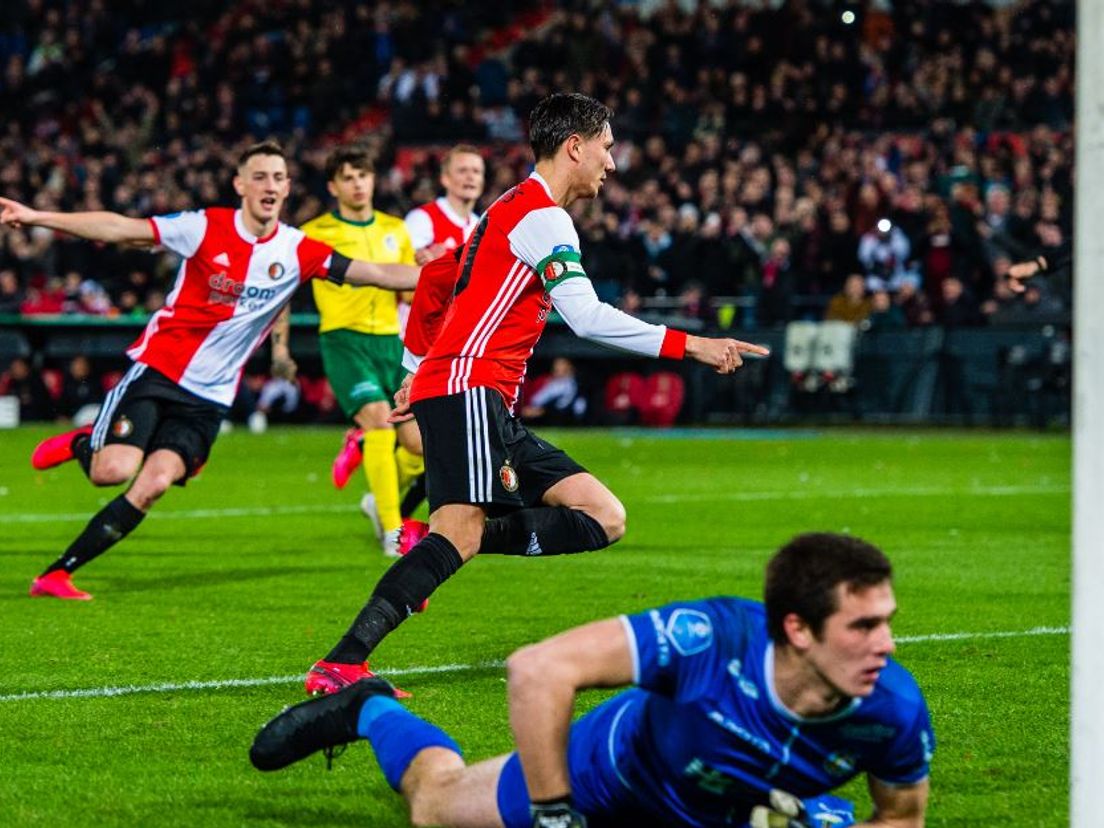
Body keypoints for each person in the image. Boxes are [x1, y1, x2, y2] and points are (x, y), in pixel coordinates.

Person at [301, 93, 769, 696]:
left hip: (480, 398)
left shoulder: (507, 210)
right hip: (470, 388)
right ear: (574, 146)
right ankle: (343, 661)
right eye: (605, 146)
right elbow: (588, 317)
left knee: (605, 517)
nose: (612, 163)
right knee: (460, 533)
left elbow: (442, 282)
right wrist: (693, 346)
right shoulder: (542, 216)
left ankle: (427, 549)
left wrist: (416, 368)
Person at [251, 532, 933, 828]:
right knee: (435, 805)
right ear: (798, 630)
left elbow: (902, 817)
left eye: (887, 621)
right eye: (863, 626)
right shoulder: (711, 637)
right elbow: (539, 668)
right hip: (608, 774)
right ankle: (369, 708)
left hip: (713, 810)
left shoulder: (896, 710)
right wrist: (554, 813)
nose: (887, 644)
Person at [1, 140, 419, 600]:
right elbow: (121, 228)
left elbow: (381, 274)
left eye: (279, 178)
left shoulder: (299, 250)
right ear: (240, 184)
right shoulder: (203, 227)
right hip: (160, 370)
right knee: (112, 471)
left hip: (211, 396)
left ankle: (56, 574)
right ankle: (85, 444)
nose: (270, 186)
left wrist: (462, 268)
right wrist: (37, 216)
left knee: (154, 484)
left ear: (288, 189)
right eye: (260, 176)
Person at [290, 145, 423, 558]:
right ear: (333, 187)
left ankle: (375, 496)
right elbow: (284, 289)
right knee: (381, 425)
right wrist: (278, 344)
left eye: (362, 175)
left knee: (419, 445)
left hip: (389, 341)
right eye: (347, 177)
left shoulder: (395, 229)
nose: (357, 183)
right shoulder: (313, 233)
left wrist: (427, 269)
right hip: (343, 340)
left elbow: (405, 291)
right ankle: (393, 530)